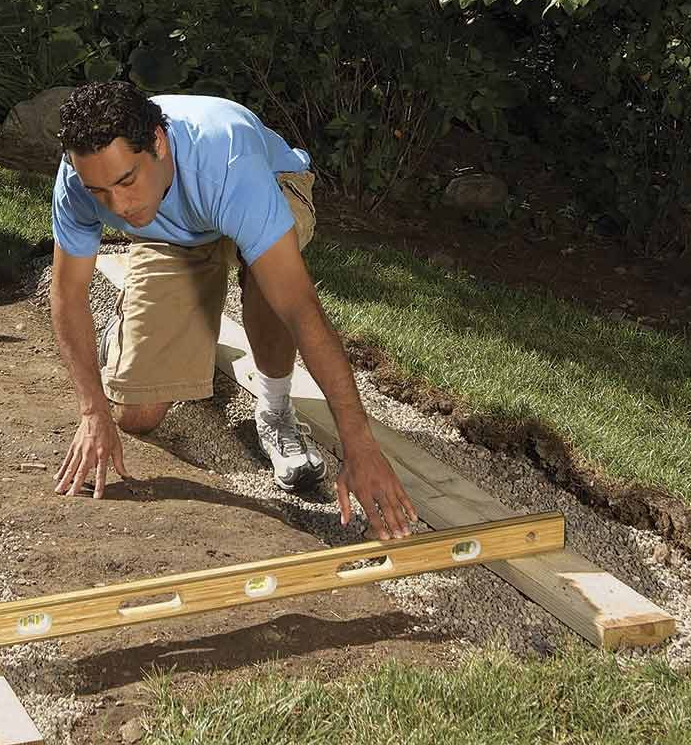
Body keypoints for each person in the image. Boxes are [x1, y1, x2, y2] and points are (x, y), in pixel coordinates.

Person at [48, 81, 417, 540]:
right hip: (171, 233)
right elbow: (67, 293)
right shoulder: (78, 179)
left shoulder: (225, 157)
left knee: (270, 281)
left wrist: (359, 447)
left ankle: (277, 411)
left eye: (126, 180)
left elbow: (302, 311)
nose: (118, 205)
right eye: (99, 191)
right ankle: (126, 336)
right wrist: (92, 411)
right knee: (135, 416)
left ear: (158, 144)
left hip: (267, 186)